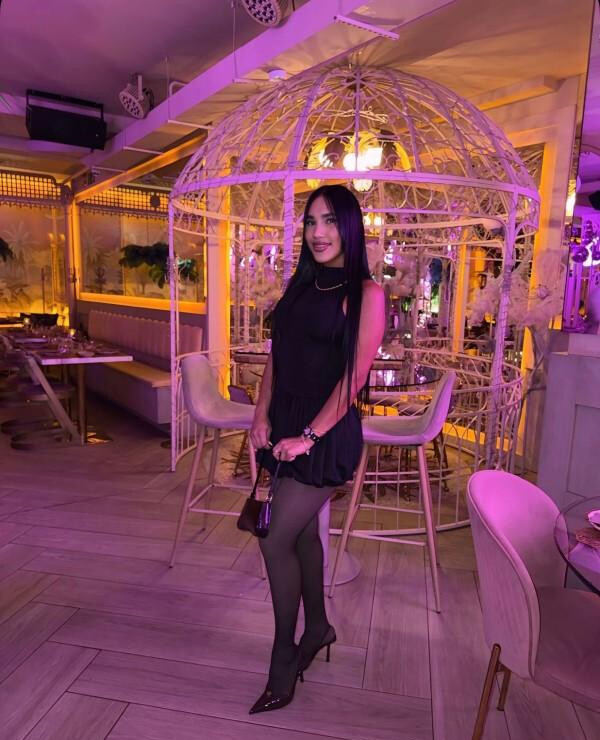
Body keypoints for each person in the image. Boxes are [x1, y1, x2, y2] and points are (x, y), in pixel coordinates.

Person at [248, 184, 385, 714]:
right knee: (302, 534)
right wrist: (260, 413)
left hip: (324, 435)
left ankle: (284, 654)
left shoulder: (366, 293)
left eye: (329, 221)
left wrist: (307, 436)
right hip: (283, 423)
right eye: (310, 222)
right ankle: (320, 628)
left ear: (349, 227)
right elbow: (276, 356)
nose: (318, 232)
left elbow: (353, 379)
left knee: (273, 538)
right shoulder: (301, 284)